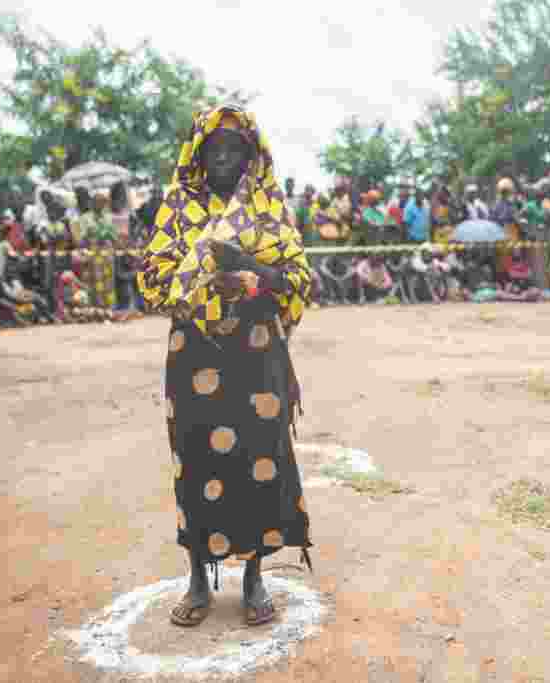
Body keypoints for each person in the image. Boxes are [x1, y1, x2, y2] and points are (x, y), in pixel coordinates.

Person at [137, 104, 314, 629]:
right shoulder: (178, 204)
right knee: (195, 458)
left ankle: (255, 577)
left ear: (250, 155)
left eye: (236, 149)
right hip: (194, 355)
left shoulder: (268, 207)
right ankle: (198, 577)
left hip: (257, 351)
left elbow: (300, 280)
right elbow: (153, 276)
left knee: (262, 458)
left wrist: (248, 271)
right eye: (215, 148)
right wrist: (202, 285)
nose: (224, 157)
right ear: (198, 153)